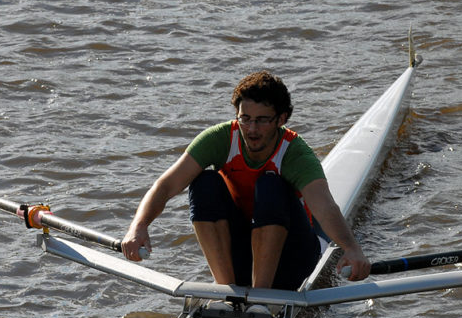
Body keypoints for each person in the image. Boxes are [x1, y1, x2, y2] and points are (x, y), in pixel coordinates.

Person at [121, 71, 371, 290]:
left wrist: (351, 248)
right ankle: (227, 290)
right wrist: (138, 226)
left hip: (293, 256)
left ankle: (261, 297)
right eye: (245, 118)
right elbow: (165, 186)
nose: (251, 129)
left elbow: (325, 206)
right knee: (204, 182)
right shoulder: (219, 139)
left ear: (281, 119)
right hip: (244, 252)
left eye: (262, 120)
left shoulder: (295, 152)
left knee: (269, 184)